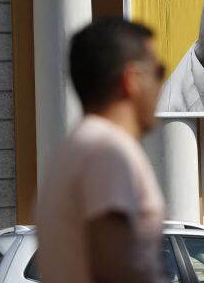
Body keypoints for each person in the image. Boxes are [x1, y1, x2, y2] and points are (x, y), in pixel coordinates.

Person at [37, 18, 166, 283]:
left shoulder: (73, 149)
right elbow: (114, 269)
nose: (162, 85)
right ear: (131, 79)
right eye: (159, 72)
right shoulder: (109, 150)